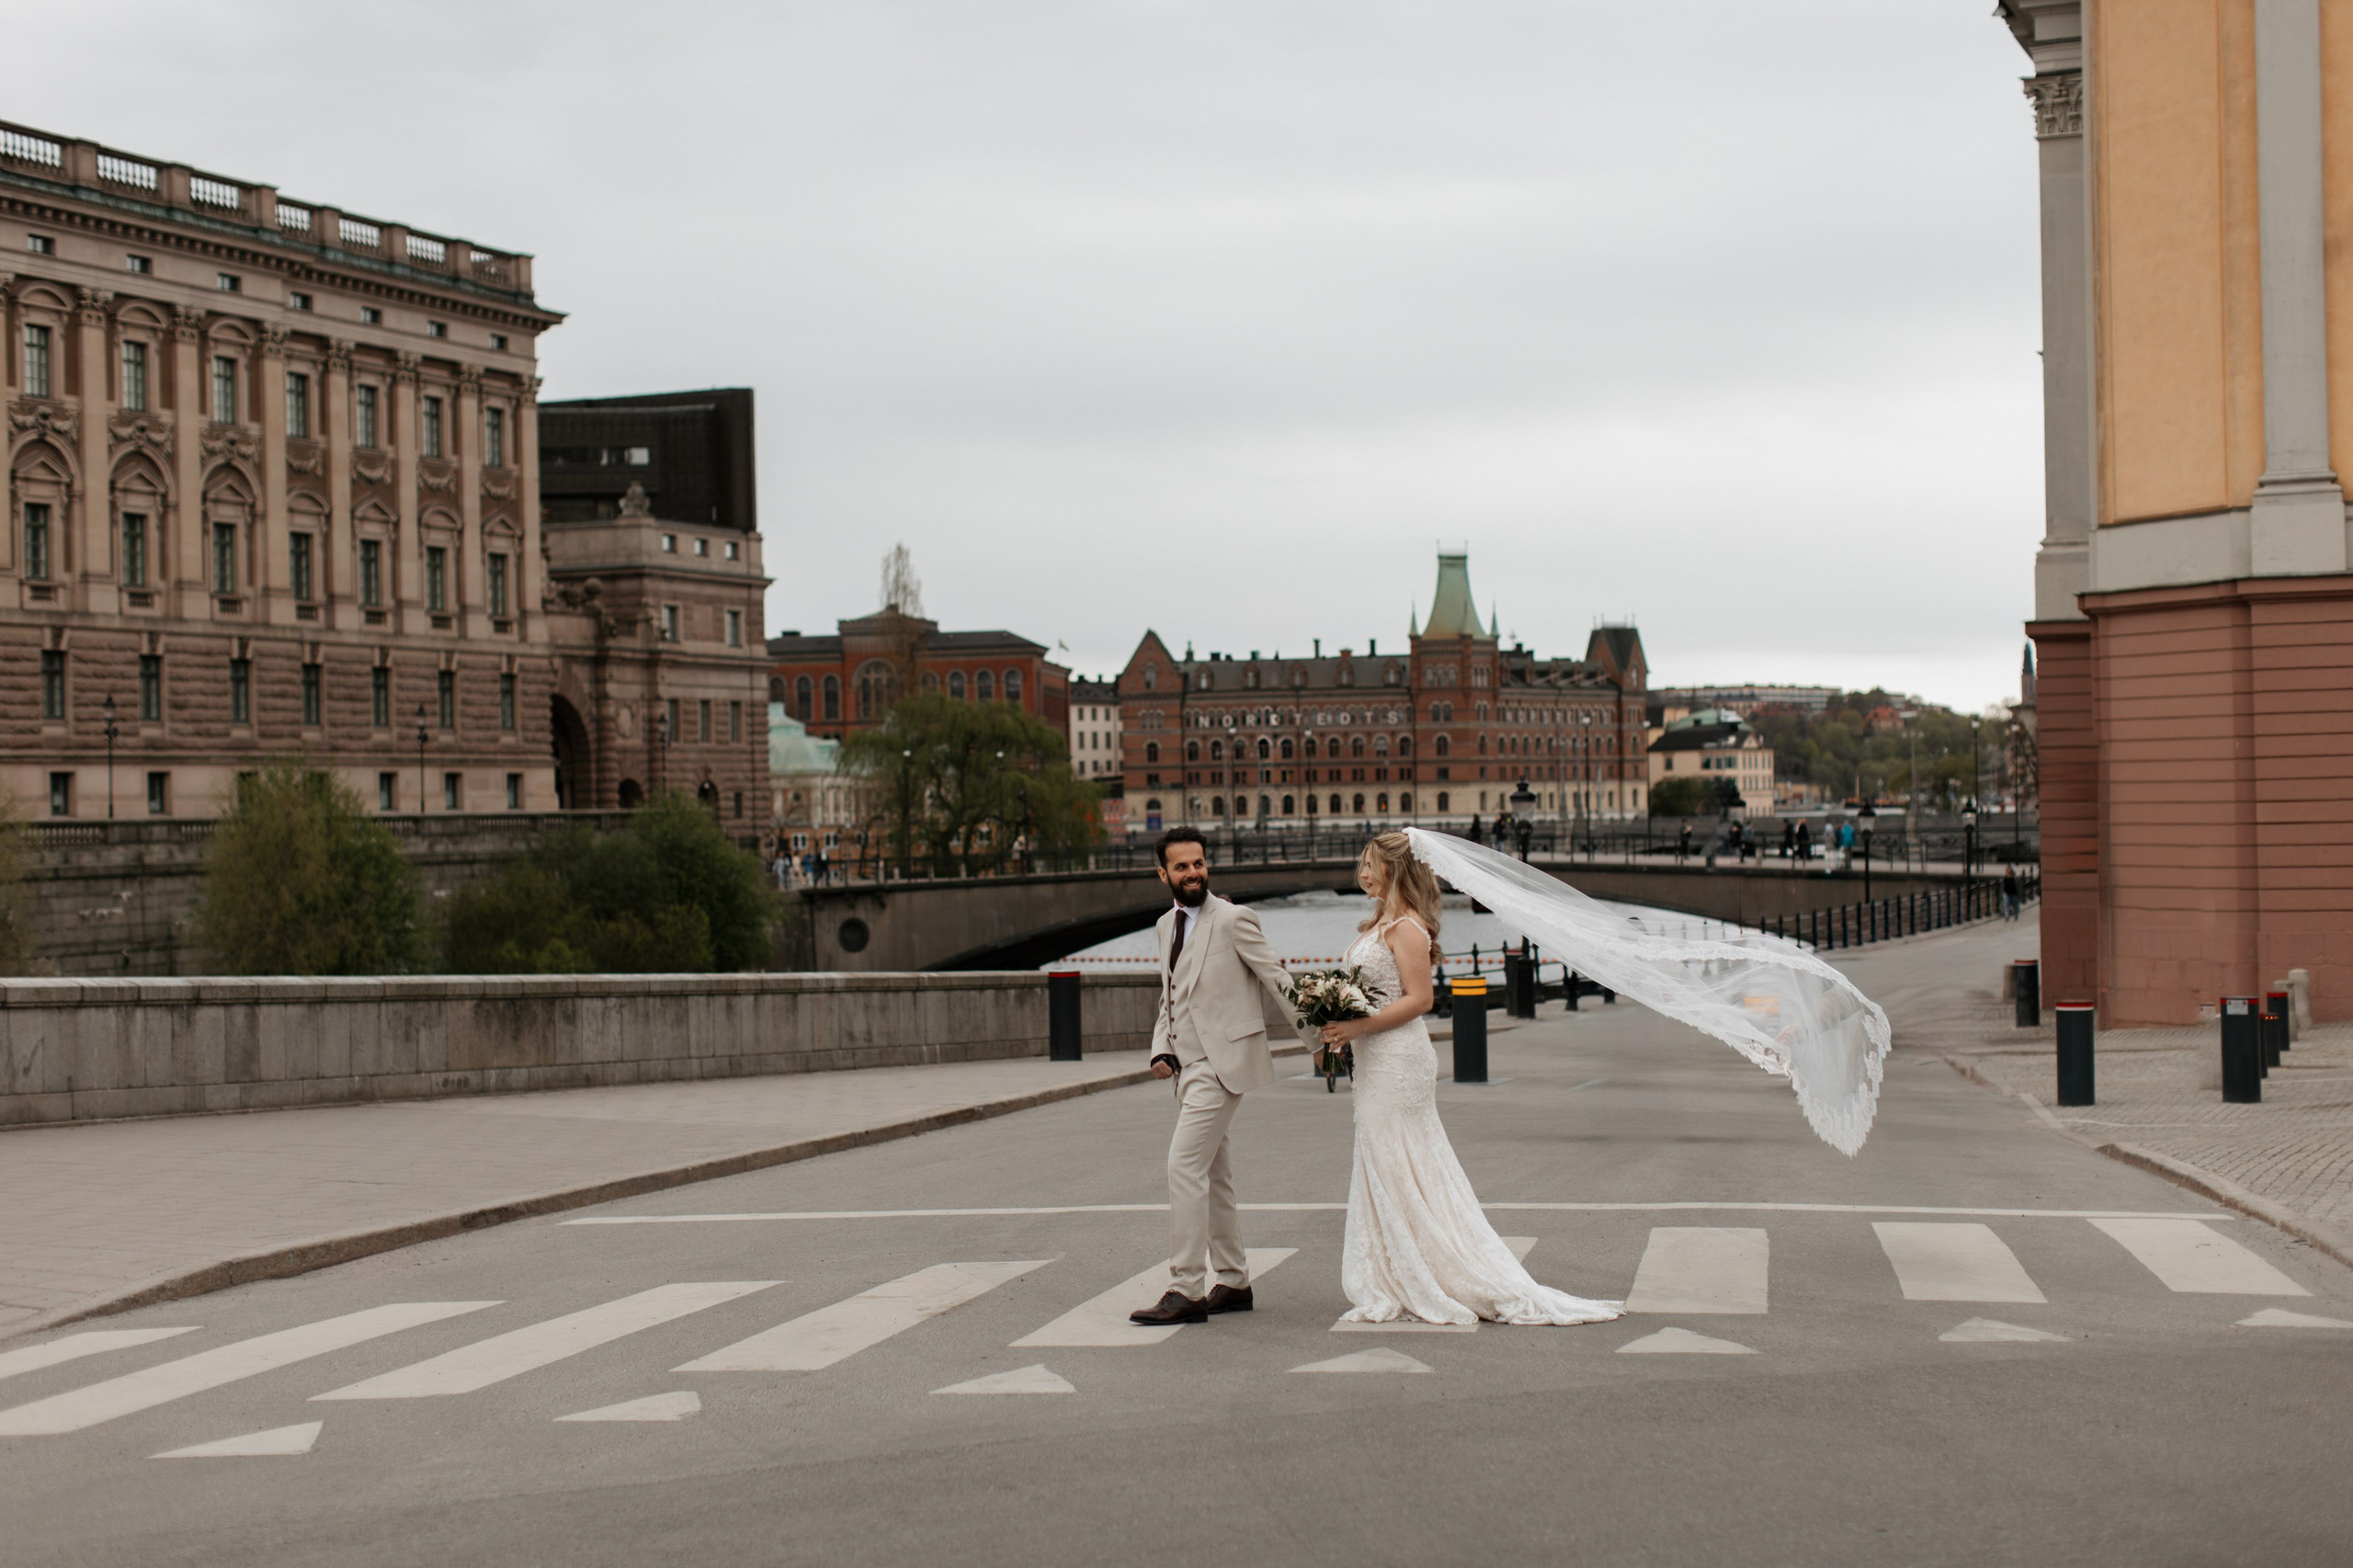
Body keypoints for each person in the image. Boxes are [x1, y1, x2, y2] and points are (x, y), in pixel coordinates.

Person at [1313, 833, 1623, 1326]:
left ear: (1396, 870)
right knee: (1388, 1158)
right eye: (1362, 864)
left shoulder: (1407, 928)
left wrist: (1357, 1025)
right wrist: (1339, 1016)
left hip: (1398, 1058)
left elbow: (1420, 1001)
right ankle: (1400, 1268)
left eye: (1372, 865)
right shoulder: (1378, 923)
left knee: (1400, 1158)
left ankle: (1429, 1271)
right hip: (1374, 1058)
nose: (1363, 873)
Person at [1130, 827, 1307, 1326]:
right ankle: (1233, 1281)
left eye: (1199, 863)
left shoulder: (1234, 918)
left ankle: (1186, 1288)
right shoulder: (1166, 925)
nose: (1194, 873)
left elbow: (1277, 978)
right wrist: (1160, 1048)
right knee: (1213, 1175)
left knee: (1182, 1166)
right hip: (1186, 1067)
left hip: (1222, 1064)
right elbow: (1171, 994)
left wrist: (1322, 1043)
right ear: (1163, 873)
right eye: (1182, 866)